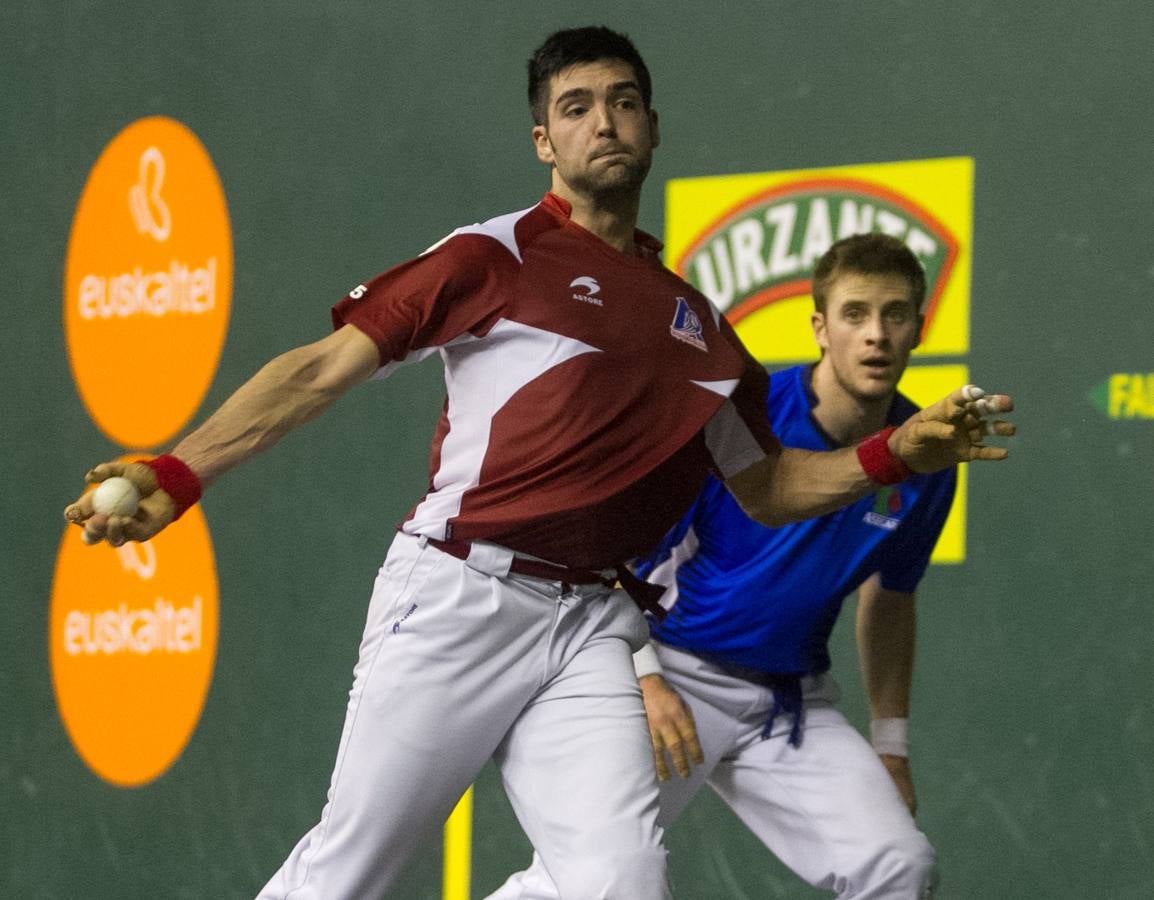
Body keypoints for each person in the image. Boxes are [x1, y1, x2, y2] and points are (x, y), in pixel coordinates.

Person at [64, 27, 1013, 900]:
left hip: (590, 622)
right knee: (351, 868)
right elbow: (318, 371)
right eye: (577, 105)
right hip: (460, 597)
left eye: (625, 101)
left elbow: (772, 488)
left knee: (619, 881)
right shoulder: (495, 255)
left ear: (652, 128)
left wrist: (897, 450)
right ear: (543, 143)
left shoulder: (706, 335)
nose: (605, 120)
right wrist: (180, 472)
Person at [489, 233, 961, 900]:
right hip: (671, 678)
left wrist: (892, 743)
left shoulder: (928, 458)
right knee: (592, 884)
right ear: (821, 328)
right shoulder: (747, 415)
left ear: (920, 326)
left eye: (895, 314)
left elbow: (891, 597)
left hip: (789, 705)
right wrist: (643, 680)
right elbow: (621, 555)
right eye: (855, 314)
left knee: (899, 865)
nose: (876, 335)